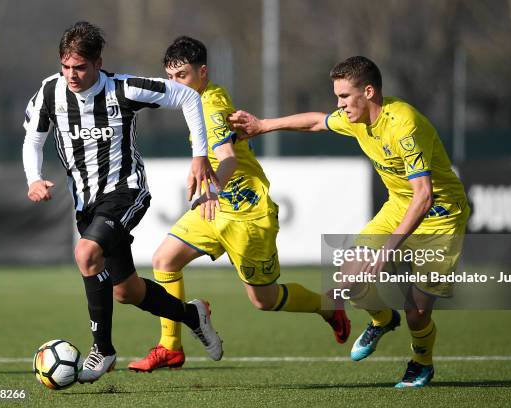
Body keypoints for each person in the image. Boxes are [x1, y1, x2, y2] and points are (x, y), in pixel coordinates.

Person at [229, 56, 469, 388]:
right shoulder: (354, 119)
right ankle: (382, 320)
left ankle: (421, 363)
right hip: (400, 207)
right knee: (349, 278)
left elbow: (424, 196)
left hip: (440, 216)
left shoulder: (404, 125)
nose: (339, 104)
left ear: (368, 92)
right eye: (337, 97)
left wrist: (385, 252)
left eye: (344, 96)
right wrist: (263, 125)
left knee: (418, 312)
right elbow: (316, 122)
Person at [127, 36, 350, 372]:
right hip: (215, 207)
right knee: (164, 260)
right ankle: (170, 347)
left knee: (264, 299)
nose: (175, 84)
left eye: (182, 76)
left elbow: (227, 158)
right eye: (170, 78)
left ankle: (328, 306)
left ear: (203, 72)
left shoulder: (210, 106)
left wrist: (213, 188)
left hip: (246, 213)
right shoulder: (194, 99)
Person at [22, 22, 223, 383]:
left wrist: (199, 156)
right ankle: (194, 316)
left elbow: (189, 97)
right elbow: (33, 140)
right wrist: (33, 178)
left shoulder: (124, 88)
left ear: (98, 63)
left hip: (125, 191)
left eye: (80, 67)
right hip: (86, 203)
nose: (72, 75)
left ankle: (104, 350)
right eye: (66, 67)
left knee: (85, 254)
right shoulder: (49, 93)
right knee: (125, 291)